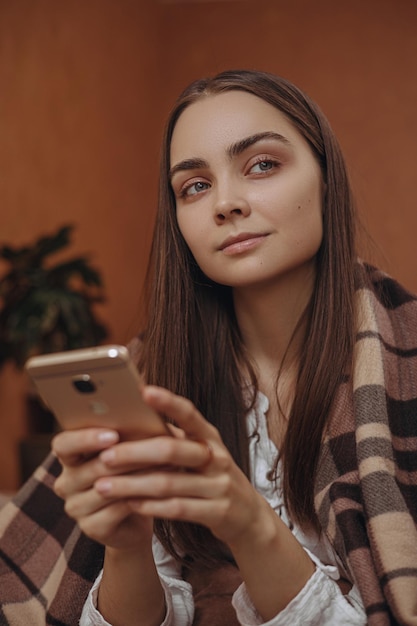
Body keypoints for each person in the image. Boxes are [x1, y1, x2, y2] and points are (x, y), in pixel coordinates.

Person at [0, 69, 416, 626]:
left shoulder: (402, 356)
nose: (226, 203)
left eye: (262, 165)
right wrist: (126, 545)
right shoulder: (156, 368)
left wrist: (249, 526)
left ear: (325, 178)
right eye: (194, 186)